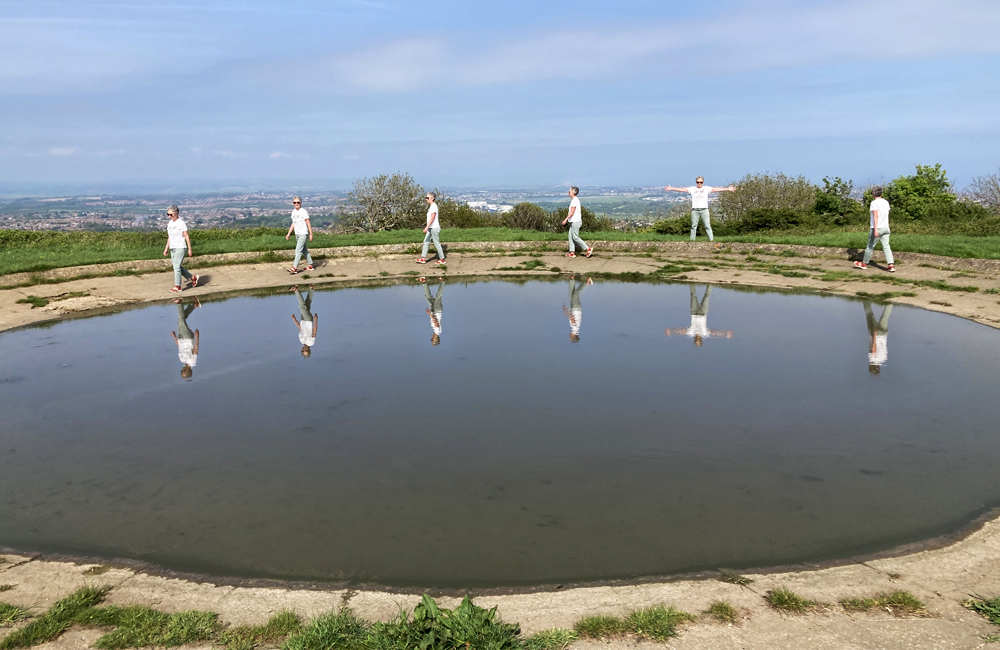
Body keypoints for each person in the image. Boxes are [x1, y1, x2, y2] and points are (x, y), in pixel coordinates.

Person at [664, 177, 736, 241]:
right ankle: (692, 240)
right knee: (693, 226)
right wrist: (672, 188)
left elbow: (716, 189)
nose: (699, 183)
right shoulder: (692, 189)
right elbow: (683, 190)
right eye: (698, 182)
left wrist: (728, 189)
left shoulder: (706, 188)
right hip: (695, 210)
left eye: (700, 182)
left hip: (704, 209)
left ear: (703, 182)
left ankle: (711, 240)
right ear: (696, 182)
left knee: (707, 226)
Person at [665, 285, 734, 346]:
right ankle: (710, 284)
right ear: (701, 340)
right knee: (706, 297)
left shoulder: (691, 333)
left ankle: (692, 282)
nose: (697, 339)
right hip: (703, 313)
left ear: (695, 339)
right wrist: (725, 334)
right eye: (698, 340)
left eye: (696, 340)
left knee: (693, 295)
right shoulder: (704, 334)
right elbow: (714, 332)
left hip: (694, 313)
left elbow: (681, 331)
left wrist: (671, 331)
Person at [854, 186, 895, 272]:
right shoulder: (885, 202)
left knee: (870, 246)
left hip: (877, 227)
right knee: (886, 247)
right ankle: (891, 265)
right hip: (886, 227)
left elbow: (876, 215)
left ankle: (864, 263)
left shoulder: (874, 203)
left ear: (873, 193)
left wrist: (875, 229)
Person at [162, 205, 198, 292]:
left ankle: (177, 286)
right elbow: (170, 237)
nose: (169, 216)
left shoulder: (181, 223)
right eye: (168, 214)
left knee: (177, 267)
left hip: (180, 247)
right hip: (173, 247)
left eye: (171, 214)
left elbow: (186, 235)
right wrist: (166, 248)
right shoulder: (170, 223)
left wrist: (189, 249)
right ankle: (192, 278)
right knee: (176, 266)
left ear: (176, 213)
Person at [171, 297, 200, 378]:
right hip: (188, 338)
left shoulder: (182, 360)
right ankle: (179, 302)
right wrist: (197, 336)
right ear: (188, 371)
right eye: (184, 371)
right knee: (181, 321)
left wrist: (174, 337)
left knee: (181, 320)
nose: (182, 369)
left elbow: (180, 347)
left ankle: (193, 305)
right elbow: (196, 349)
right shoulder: (192, 361)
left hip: (180, 338)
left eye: (182, 371)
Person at [285, 196, 315, 274]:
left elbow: (308, 222)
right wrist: (289, 233)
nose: (296, 204)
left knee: (298, 250)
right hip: (297, 233)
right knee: (304, 250)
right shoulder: (293, 212)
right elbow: (293, 223)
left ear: (300, 203)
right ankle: (310, 265)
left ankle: (294, 267)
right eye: (295, 202)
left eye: (298, 202)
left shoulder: (303, 211)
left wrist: (311, 234)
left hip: (303, 233)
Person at [561, 187, 592, 258]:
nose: (568, 193)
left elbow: (572, 212)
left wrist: (565, 220)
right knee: (570, 236)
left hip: (576, 221)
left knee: (575, 237)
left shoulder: (574, 200)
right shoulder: (575, 200)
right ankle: (572, 252)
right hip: (573, 221)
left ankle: (588, 248)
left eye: (569, 192)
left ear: (573, 192)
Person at [863, 301, 892, 374]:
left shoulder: (884, 359)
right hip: (876, 335)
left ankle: (890, 302)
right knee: (869, 314)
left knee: (885, 316)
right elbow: (873, 348)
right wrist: (874, 335)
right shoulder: (872, 359)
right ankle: (865, 299)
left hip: (884, 334)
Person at [417, 192, 446, 264]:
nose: (426, 199)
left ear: (432, 198)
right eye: (426, 198)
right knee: (426, 242)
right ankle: (423, 258)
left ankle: (442, 259)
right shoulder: (431, 206)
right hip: (431, 228)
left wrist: (426, 227)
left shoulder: (433, 206)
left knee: (436, 243)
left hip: (434, 228)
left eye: (427, 198)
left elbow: (432, 217)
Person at [563, 274, 592, 342]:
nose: (569, 336)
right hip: (576, 308)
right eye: (570, 337)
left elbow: (572, 317)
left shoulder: (575, 329)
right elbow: (572, 318)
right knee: (575, 294)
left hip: (574, 308)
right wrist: (566, 311)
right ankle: (587, 283)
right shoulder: (575, 328)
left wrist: (568, 310)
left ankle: (572, 279)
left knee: (571, 294)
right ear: (573, 336)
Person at [290, 285, 318, 357]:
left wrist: (294, 319)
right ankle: (296, 290)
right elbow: (314, 332)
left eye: (303, 350)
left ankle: (311, 289)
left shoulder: (301, 341)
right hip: (308, 320)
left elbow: (300, 328)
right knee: (302, 306)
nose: (304, 349)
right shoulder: (311, 342)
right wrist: (316, 320)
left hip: (302, 320)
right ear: (309, 350)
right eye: (306, 350)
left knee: (307, 304)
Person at [421, 276, 444, 345]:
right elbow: (436, 322)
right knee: (438, 297)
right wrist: (430, 314)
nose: (431, 338)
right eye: (432, 339)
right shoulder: (437, 332)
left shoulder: (435, 331)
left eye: (431, 339)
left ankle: (424, 282)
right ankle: (442, 282)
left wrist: (431, 313)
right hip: (437, 310)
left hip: (433, 311)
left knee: (428, 297)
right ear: (436, 339)